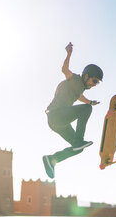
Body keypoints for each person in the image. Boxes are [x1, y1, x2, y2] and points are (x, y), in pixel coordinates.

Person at [43, 42, 103, 179]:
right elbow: (65, 70)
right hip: (57, 115)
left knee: (78, 149)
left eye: (97, 83)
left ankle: (51, 159)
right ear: (86, 76)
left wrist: (90, 102)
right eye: (94, 81)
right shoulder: (75, 79)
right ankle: (79, 140)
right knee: (85, 110)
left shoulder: (80, 88)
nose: (94, 85)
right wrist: (69, 53)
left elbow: (79, 96)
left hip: (58, 122)